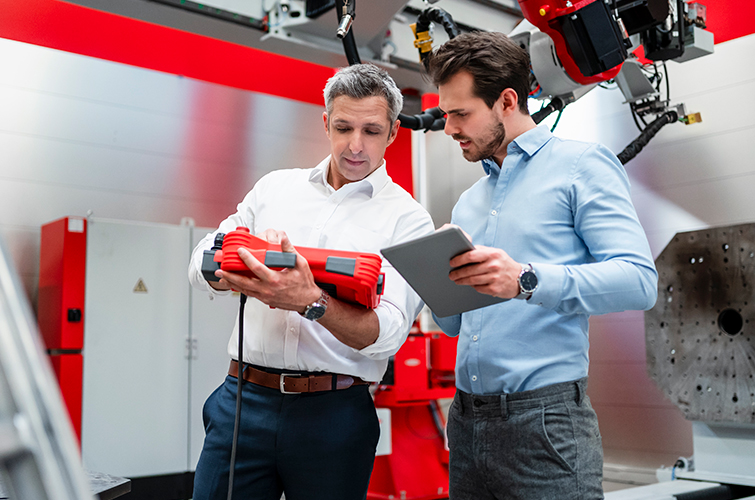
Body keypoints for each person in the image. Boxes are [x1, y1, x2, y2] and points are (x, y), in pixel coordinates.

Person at [425, 31, 658, 499]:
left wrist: (526, 279)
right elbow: (450, 325)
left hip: (545, 424)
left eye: (460, 114)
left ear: (506, 101)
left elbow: (638, 280)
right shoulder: (470, 202)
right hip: (466, 422)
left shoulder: (581, 166)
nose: (448, 128)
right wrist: (436, 280)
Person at [187, 63, 434, 500]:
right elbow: (200, 262)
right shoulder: (274, 190)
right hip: (243, 402)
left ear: (394, 133)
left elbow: (388, 336)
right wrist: (241, 272)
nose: (355, 146)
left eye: (372, 131)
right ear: (325, 122)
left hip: (334, 416)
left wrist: (310, 301)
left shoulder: (409, 220)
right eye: (343, 127)